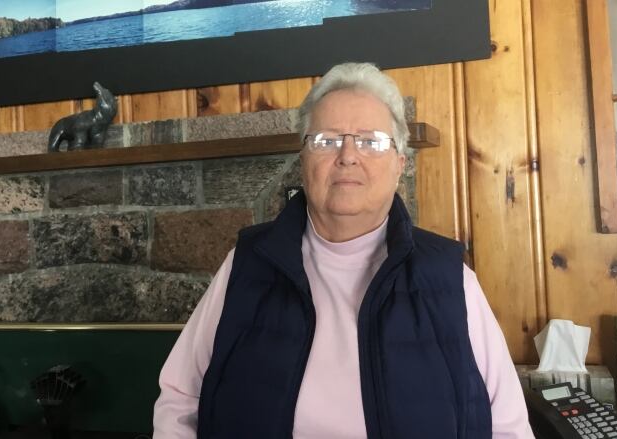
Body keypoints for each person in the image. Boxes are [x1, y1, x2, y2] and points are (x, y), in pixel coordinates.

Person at [153, 62, 534, 438]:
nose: (348, 155)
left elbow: (508, 427)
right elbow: (180, 397)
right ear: (303, 160)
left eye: (370, 141)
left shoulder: (450, 279)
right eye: (327, 140)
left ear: (399, 164)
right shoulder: (247, 265)